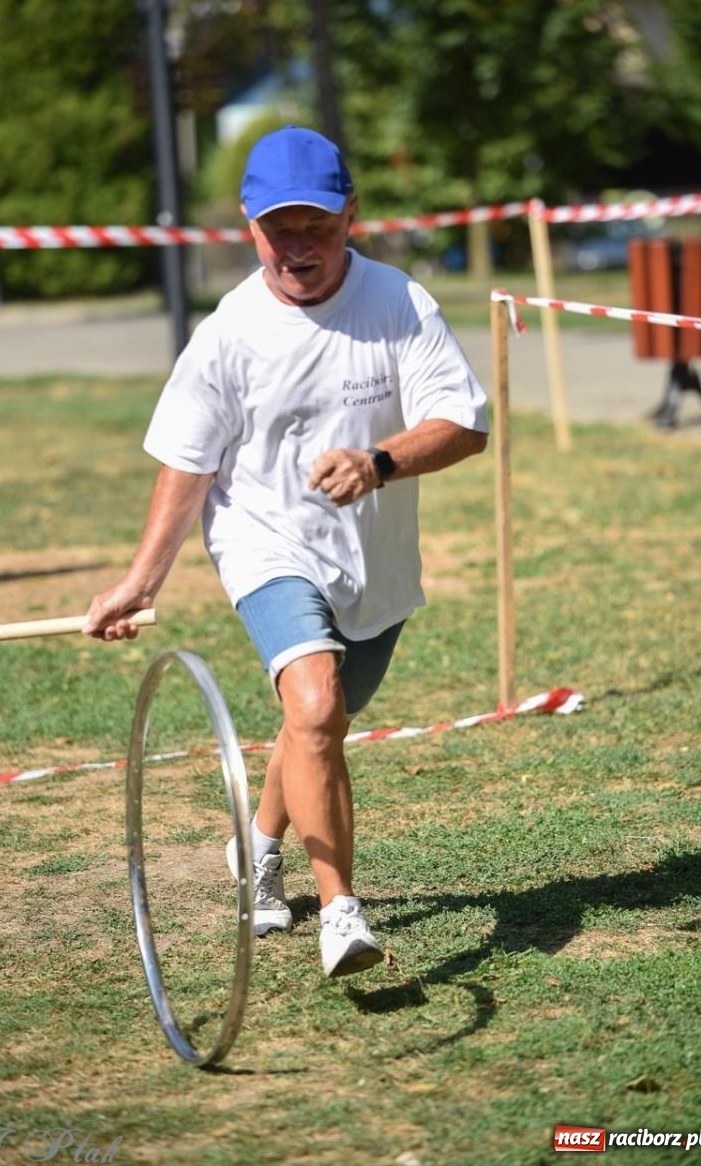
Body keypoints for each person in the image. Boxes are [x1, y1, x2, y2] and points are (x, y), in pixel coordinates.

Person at [84, 125, 489, 978]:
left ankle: (255, 844)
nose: (296, 247)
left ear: (350, 214)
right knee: (312, 705)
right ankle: (340, 910)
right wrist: (140, 580)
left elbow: (464, 425)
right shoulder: (229, 332)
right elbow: (188, 464)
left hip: (372, 563)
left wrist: (379, 462)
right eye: (278, 228)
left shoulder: (398, 303)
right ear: (247, 224)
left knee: (318, 724)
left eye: (314, 224)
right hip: (263, 539)